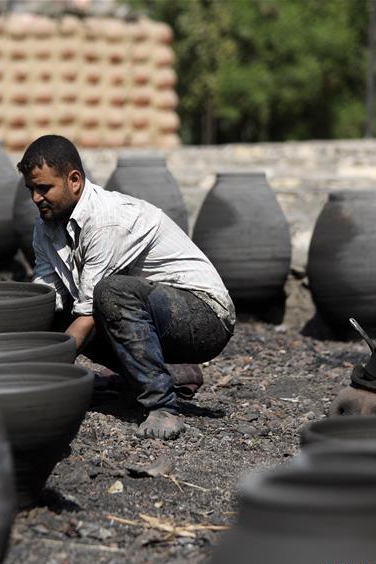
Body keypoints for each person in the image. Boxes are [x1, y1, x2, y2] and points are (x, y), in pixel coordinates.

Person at [17, 135, 235, 440]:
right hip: (152, 313)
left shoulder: (106, 220)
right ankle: (165, 374)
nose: (36, 199)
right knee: (59, 309)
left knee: (109, 294)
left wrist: (42, 375)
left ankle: (162, 408)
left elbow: (91, 309)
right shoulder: (45, 229)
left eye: (44, 189)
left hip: (205, 316)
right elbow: (47, 300)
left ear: (74, 180)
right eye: (31, 190)